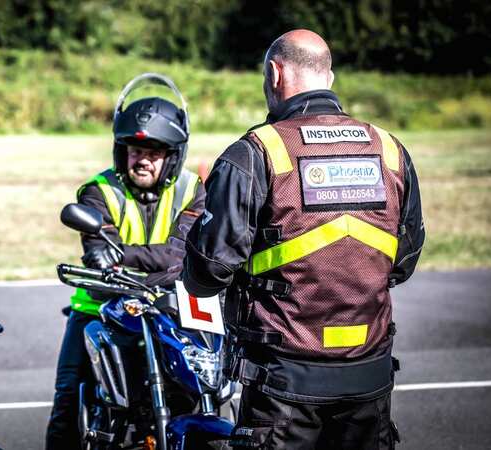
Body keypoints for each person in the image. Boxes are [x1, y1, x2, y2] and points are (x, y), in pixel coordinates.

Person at [182, 30, 425, 449]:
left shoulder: (255, 154)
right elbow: (402, 262)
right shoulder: (390, 150)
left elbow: (207, 274)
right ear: (329, 77)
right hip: (368, 381)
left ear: (274, 74)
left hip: (282, 387)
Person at [45, 73, 206, 449]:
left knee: (198, 393)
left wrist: (128, 258)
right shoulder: (98, 191)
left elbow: (181, 254)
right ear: (121, 150)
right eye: (135, 150)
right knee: (67, 400)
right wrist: (158, 265)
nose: (143, 160)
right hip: (100, 307)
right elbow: (99, 253)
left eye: (154, 151)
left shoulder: (193, 191)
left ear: (172, 155)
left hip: (173, 309)